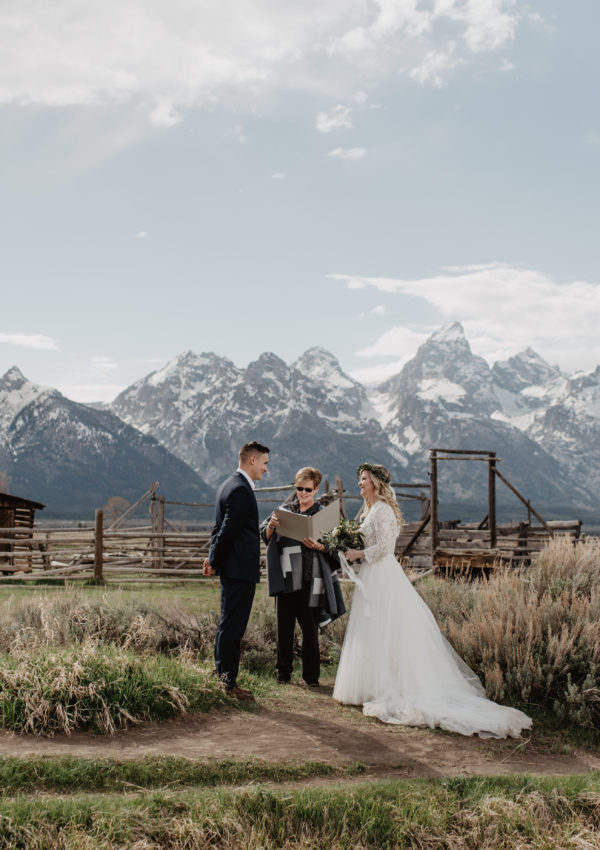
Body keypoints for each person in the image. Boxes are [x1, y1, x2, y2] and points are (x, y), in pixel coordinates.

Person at [333, 462, 532, 739]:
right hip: (372, 575)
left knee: (385, 627)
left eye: (364, 479)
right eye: (360, 479)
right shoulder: (370, 510)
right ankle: (369, 684)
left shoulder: (383, 511)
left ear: (376, 483)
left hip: (382, 575)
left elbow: (385, 549)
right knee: (372, 628)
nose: (360, 484)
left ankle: (385, 685)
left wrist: (359, 554)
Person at [261, 467, 345, 688]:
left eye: (307, 489)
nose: (303, 493)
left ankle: (311, 677)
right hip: (288, 578)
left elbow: (337, 548)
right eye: (299, 488)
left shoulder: (324, 514)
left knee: (310, 631)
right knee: (284, 629)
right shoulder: (284, 510)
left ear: (316, 489)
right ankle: (283, 674)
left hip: (312, 580)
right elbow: (264, 536)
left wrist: (319, 546)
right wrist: (271, 526)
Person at [203, 440, 270, 702]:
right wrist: (215, 561)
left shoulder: (227, 485)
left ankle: (222, 675)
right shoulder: (241, 490)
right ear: (251, 460)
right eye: (264, 463)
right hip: (240, 569)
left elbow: (217, 529)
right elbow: (228, 531)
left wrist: (212, 559)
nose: (266, 469)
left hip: (233, 568)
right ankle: (228, 684)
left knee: (227, 623)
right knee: (233, 627)